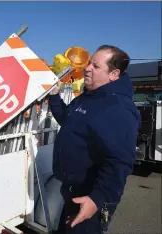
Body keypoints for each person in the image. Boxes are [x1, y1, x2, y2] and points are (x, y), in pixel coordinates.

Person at [48, 45, 141, 234]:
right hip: (72, 192)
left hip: (89, 197)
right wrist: (55, 97)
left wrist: (96, 199)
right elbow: (67, 120)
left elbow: (120, 162)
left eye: (95, 66)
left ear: (113, 74)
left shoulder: (118, 108)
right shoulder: (88, 97)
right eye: (89, 63)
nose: (87, 68)